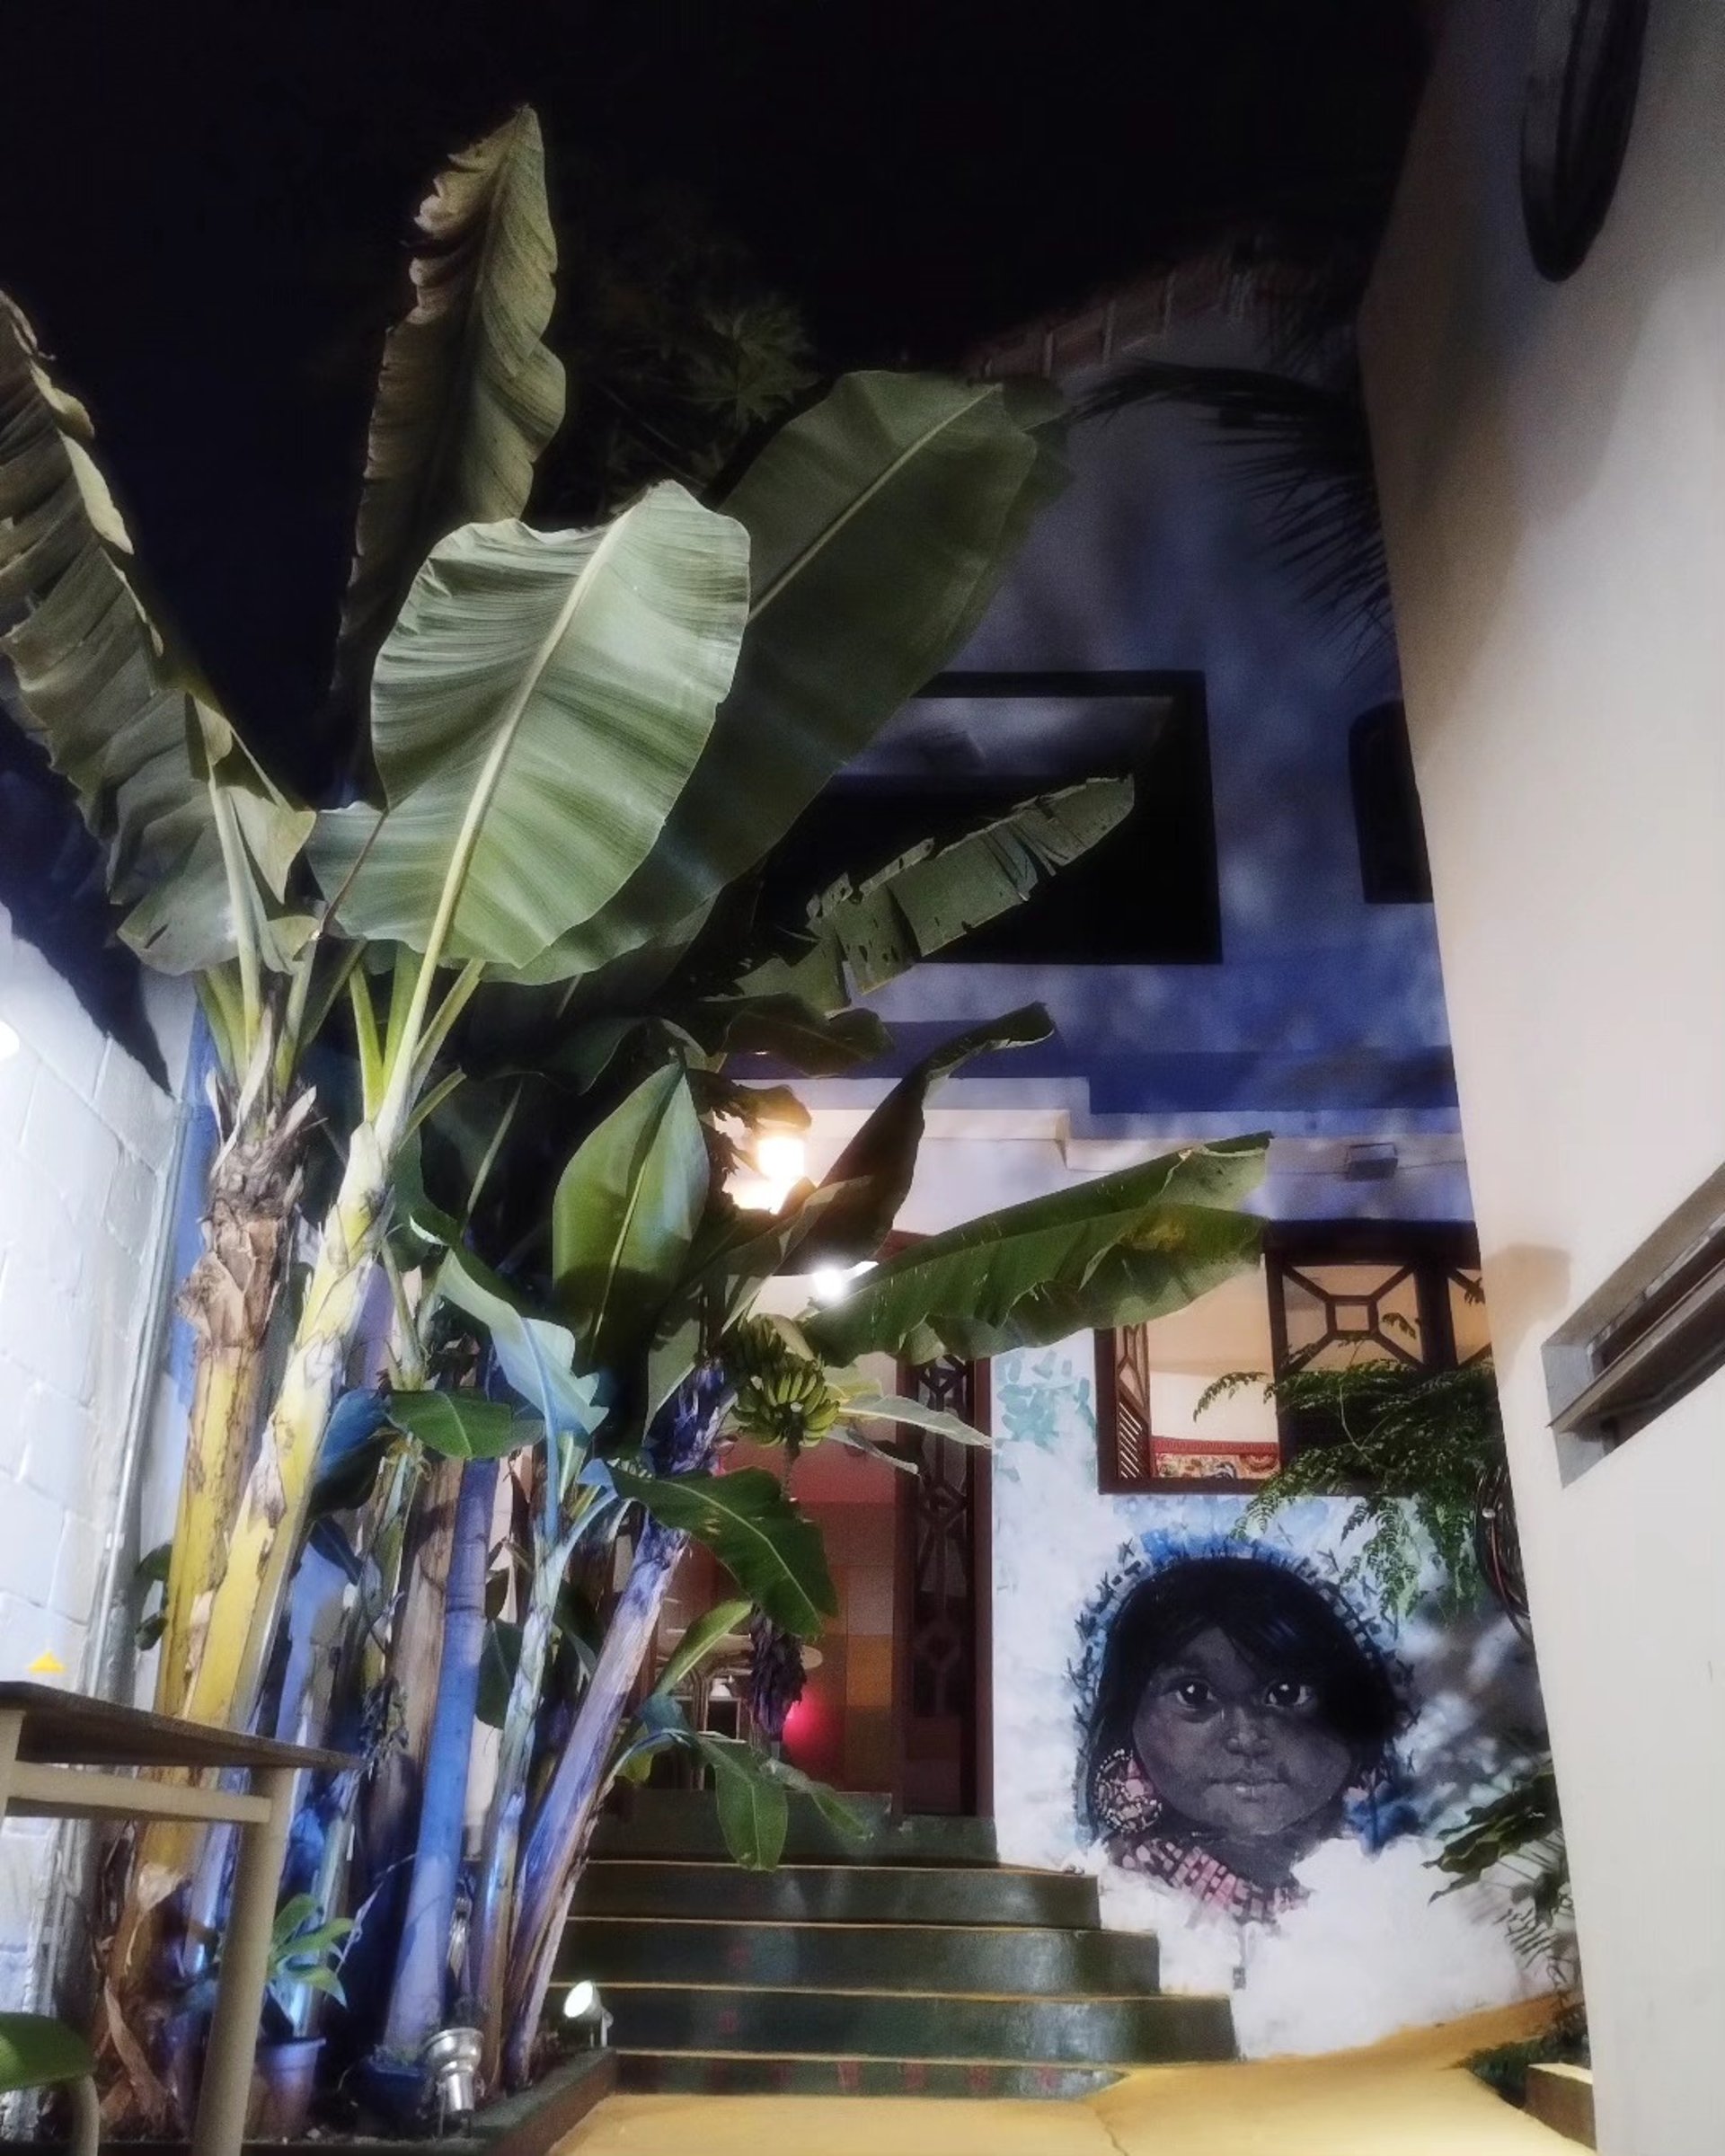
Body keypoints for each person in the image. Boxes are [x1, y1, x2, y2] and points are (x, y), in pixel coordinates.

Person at [1081, 1553, 1403, 1922]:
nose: (1246, 1737)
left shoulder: (1376, 1890)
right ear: (1130, 1718)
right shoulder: (1122, 1896)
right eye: (1194, 1695)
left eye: (1286, 1693)